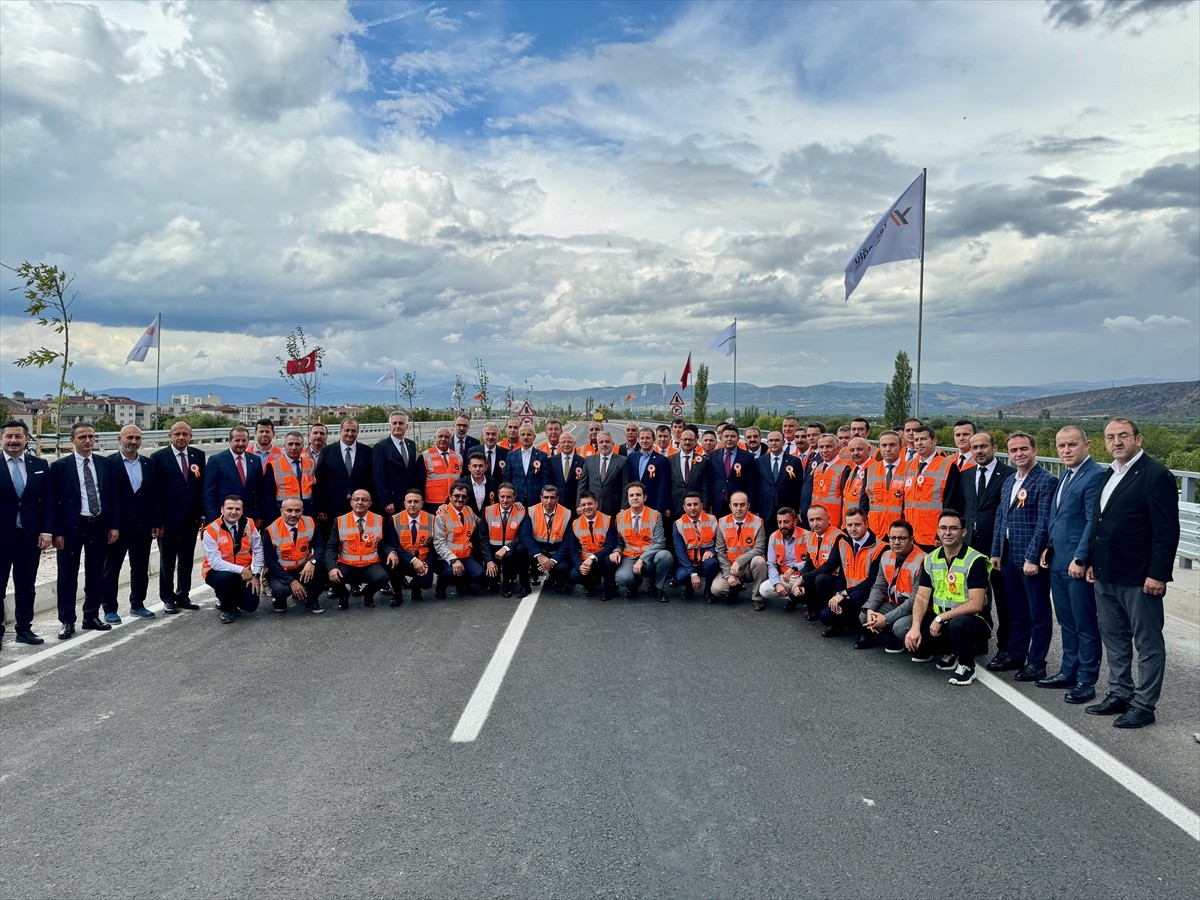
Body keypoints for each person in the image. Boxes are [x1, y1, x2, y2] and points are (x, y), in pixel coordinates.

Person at [1085, 418, 1181, 729]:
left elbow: (1166, 532)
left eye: (1123, 436)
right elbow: (1099, 523)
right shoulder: (1108, 473)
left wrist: (1158, 575)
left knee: (1148, 643)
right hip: (1106, 574)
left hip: (1140, 578)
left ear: (1138, 439)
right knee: (1114, 639)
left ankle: (1144, 705)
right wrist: (1090, 562)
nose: (1116, 442)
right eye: (1110, 437)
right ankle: (1119, 693)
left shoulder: (1155, 475)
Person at [1038, 426, 1105, 704]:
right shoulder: (1065, 474)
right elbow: (1061, 519)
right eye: (1061, 446)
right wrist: (1049, 547)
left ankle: (1086, 680)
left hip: (1076, 564)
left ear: (1087, 445)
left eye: (1072, 445)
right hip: (1058, 561)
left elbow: (1093, 521)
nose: (1066, 450)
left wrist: (1082, 557)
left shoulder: (1095, 476)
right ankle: (1068, 671)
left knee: (1084, 623)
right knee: (1066, 621)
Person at [988, 431, 1057, 682]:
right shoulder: (1009, 481)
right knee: (1015, 610)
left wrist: (1032, 557)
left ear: (1034, 450)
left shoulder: (1046, 481)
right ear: (1008, 453)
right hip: (1008, 556)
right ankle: (1016, 653)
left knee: (1037, 612)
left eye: (1023, 449)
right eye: (1014, 450)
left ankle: (1037, 661)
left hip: (1031, 560)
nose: (1019, 454)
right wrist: (996, 551)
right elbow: (1000, 518)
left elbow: (1044, 523)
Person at [904, 509, 993, 686]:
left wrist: (940, 618)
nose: (947, 532)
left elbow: (976, 604)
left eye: (953, 528)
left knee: (958, 625)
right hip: (944, 620)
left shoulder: (975, 560)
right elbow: (921, 597)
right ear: (937, 531)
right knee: (911, 633)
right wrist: (915, 628)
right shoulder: (930, 559)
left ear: (963, 532)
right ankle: (953, 650)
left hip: (973, 621)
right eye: (943, 528)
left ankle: (967, 666)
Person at [49, 423, 120, 639]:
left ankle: (91, 616)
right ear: (73, 440)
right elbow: (53, 502)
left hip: (97, 524)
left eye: (91, 436)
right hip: (71, 527)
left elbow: (113, 497)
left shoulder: (105, 464)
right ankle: (67, 621)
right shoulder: (60, 467)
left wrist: (114, 525)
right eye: (82, 437)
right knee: (68, 575)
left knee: (96, 573)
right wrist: (56, 532)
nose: (87, 441)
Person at [1, 419, 52, 646]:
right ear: (2, 439)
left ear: (26, 439)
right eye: (9, 436)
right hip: (1, 536)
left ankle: (24, 629)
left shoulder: (39, 464)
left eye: (18, 436)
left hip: (29, 537)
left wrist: (47, 531)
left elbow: (49, 502)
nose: (13, 440)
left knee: (26, 585)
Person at [961, 432, 1014, 650]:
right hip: (970, 544)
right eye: (975, 447)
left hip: (997, 545)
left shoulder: (1009, 475)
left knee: (1002, 596)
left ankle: (1006, 643)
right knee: (973, 593)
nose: (979, 451)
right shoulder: (965, 474)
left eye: (983, 446)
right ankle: (979, 636)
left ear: (994, 447)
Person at [103, 425, 161, 622]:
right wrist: (111, 525)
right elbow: (107, 498)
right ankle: (109, 608)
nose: (133, 442)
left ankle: (138, 604)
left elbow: (154, 496)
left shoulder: (148, 464)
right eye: (129, 437)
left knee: (140, 567)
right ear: (120, 438)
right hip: (117, 527)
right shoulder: (108, 463)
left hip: (142, 526)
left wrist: (156, 522)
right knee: (112, 568)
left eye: (137, 438)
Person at [151, 421, 206, 613]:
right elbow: (155, 492)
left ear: (190, 436)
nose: (181, 437)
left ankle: (183, 595)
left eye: (185, 434)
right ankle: (167, 597)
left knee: (187, 558)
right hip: (168, 519)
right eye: (177, 434)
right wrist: (156, 521)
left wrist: (201, 513)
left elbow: (200, 487)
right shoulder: (158, 457)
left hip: (191, 517)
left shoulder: (198, 455)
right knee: (167, 560)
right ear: (170, 436)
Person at [857, 520, 926, 651]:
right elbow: (879, 586)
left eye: (902, 538)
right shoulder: (886, 555)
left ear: (912, 539)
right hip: (893, 603)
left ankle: (898, 638)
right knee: (865, 615)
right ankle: (888, 636)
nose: (896, 542)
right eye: (893, 538)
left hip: (914, 609)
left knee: (900, 628)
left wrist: (886, 619)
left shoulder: (923, 560)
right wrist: (871, 608)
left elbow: (914, 601)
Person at [815, 508, 883, 637]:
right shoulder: (843, 543)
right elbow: (842, 575)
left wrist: (844, 593)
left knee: (858, 595)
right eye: (849, 525)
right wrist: (837, 595)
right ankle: (839, 623)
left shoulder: (879, 547)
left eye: (857, 524)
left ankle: (866, 632)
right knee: (825, 616)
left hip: (866, 593)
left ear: (866, 524)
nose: (853, 529)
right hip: (847, 594)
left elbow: (872, 581)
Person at [201, 495, 263, 624]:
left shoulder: (249, 524)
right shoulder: (211, 530)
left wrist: (256, 574)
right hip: (216, 572)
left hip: (243, 574)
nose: (233, 512)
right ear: (222, 510)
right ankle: (227, 608)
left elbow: (258, 549)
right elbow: (216, 563)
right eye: (229, 508)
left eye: (237, 509)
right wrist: (241, 570)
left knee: (251, 606)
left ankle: (228, 598)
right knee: (225, 578)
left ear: (242, 510)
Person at [324, 488, 390, 609]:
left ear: (370, 503)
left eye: (364, 500)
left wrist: (391, 552)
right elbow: (331, 547)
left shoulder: (380, 520)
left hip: (370, 564)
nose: (360, 502)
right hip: (347, 564)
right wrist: (332, 568)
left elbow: (384, 543)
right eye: (356, 499)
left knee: (382, 577)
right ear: (351, 502)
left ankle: (368, 594)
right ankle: (343, 596)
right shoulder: (339, 521)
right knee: (330, 574)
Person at [899, 424, 961, 550]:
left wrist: (942, 534)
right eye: (916, 440)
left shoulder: (948, 466)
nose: (919, 443)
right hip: (911, 535)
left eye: (923, 439)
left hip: (933, 536)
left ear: (934, 441)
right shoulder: (910, 466)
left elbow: (951, 503)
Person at [609, 481, 673, 600]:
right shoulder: (620, 517)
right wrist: (616, 551)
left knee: (666, 556)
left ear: (645, 497)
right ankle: (634, 584)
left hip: (650, 557)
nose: (635, 498)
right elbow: (619, 542)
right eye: (631, 495)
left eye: (638, 495)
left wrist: (642, 559)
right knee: (622, 578)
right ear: (627, 499)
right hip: (630, 556)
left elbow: (660, 542)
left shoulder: (655, 515)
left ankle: (658, 587)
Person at [261, 497, 326, 613]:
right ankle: (279, 600)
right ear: (281, 511)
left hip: (303, 568)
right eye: (289, 510)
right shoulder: (271, 531)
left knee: (322, 566)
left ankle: (311, 601)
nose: (293, 514)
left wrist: (312, 562)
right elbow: (270, 562)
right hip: (281, 571)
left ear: (302, 510)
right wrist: (292, 581)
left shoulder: (310, 522)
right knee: (281, 591)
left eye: (297, 511)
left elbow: (320, 546)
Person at [791, 504, 847, 618]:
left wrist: (803, 578)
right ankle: (815, 606)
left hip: (837, 581)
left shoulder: (838, 536)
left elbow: (830, 566)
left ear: (828, 519)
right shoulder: (811, 536)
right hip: (818, 577)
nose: (815, 524)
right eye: (811, 520)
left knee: (820, 579)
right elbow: (808, 564)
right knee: (793, 593)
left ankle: (827, 609)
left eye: (819, 519)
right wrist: (800, 581)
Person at [710, 491, 767, 604]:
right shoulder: (722, 522)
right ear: (730, 506)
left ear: (748, 505)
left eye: (742, 504)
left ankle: (757, 597)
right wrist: (728, 575)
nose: (739, 508)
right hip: (731, 567)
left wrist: (739, 562)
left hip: (749, 567)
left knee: (760, 561)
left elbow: (759, 548)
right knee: (716, 589)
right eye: (735, 505)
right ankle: (733, 589)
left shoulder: (758, 522)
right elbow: (720, 551)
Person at [203, 425, 266, 525]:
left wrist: (259, 515)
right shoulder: (216, 460)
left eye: (244, 440)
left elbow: (260, 491)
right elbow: (209, 492)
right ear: (230, 440)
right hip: (223, 517)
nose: (241, 444)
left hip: (248, 517)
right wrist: (212, 518)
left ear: (248, 440)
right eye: (237, 440)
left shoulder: (255, 460)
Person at [315, 418, 373, 526]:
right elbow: (320, 481)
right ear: (340, 431)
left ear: (358, 432)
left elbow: (371, 479)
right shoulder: (327, 451)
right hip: (333, 506)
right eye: (347, 430)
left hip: (360, 506)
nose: (350, 434)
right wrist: (321, 508)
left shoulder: (367, 452)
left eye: (353, 431)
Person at [432, 483, 485, 598]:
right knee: (450, 572)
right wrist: (453, 560)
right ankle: (440, 587)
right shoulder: (442, 515)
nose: (460, 499)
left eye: (463, 496)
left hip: (465, 556)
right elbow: (439, 543)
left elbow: (481, 523)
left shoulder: (469, 511)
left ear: (467, 498)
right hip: (446, 558)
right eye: (456, 496)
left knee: (478, 574)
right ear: (450, 497)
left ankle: (461, 583)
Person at [479, 482, 528, 597]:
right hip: (492, 552)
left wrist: (506, 548)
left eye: (509, 497)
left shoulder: (522, 512)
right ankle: (494, 579)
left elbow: (521, 536)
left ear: (514, 497)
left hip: (510, 550)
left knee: (516, 552)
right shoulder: (487, 511)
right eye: (502, 496)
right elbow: (483, 539)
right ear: (498, 496)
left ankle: (506, 583)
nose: (505, 500)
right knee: (490, 585)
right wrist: (489, 561)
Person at [519, 485, 572, 592]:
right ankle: (525, 585)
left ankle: (556, 578)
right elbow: (525, 536)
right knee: (520, 550)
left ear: (557, 499)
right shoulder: (531, 511)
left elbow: (567, 543)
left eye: (552, 498)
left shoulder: (567, 513)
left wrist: (552, 561)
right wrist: (539, 556)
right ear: (541, 498)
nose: (549, 501)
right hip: (537, 553)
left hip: (555, 553)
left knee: (564, 568)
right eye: (546, 497)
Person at [388, 488, 435, 603]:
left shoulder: (432, 519)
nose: (412, 505)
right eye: (409, 502)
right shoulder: (394, 520)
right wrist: (413, 560)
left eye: (416, 501)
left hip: (423, 561)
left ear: (422, 503)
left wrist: (427, 564)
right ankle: (397, 595)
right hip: (402, 560)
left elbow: (434, 547)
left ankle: (416, 587)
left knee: (426, 582)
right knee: (391, 563)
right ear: (404, 503)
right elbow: (394, 545)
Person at [569, 490, 617, 599]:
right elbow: (573, 549)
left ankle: (607, 588)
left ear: (596, 504)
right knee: (574, 575)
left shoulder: (608, 520)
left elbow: (610, 545)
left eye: (590, 504)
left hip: (602, 559)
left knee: (610, 561)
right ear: (580, 507)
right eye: (583, 505)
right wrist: (579, 565)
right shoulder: (575, 524)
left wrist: (592, 558)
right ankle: (590, 585)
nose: (587, 507)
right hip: (585, 560)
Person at [758, 506, 806, 612]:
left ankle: (809, 602)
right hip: (785, 578)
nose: (782, 526)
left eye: (786, 522)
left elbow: (812, 562)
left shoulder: (807, 536)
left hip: (804, 577)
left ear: (795, 521)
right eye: (779, 522)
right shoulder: (773, 537)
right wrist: (777, 583)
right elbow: (771, 564)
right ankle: (795, 598)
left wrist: (795, 568)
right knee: (764, 589)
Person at [672, 491, 719, 599]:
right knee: (680, 578)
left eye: (696, 504)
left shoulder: (712, 519)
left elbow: (720, 543)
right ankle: (689, 587)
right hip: (688, 562)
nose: (692, 508)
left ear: (701, 505)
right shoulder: (678, 524)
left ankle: (708, 590)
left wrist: (712, 551)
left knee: (712, 564)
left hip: (706, 560)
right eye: (689, 505)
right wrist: (693, 574)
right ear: (684, 507)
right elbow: (680, 551)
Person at [372, 411, 418, 517]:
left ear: (407, 426)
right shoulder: (380, 447)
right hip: (391, 501)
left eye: (401, 423)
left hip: (408, 500)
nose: (397, 426)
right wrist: (386, 501)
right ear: (390, 426)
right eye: (394, 423)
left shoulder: (411, 445)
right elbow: (378, 477)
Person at [755, 431, 802, 535]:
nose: (773, 443)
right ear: (767, 442)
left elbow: (798, 487)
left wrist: (797, 509)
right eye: (771, 440)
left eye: (777, 440)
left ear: (783, 442)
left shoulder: (794, 461)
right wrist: (755, 508)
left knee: (787, 537)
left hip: (787, 509)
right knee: (767, 538)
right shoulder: (759, 461)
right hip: (766, 508)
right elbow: (756, 485)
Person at [705, 424, 758, 516]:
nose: (729, 439)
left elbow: (752, 484)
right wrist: (707, 503)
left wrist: (752, 506)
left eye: (733, 436)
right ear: (721, 438)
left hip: (739, 505)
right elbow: (709, 480)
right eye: (726, 436)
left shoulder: (748, 457)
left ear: (738, 438)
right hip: (718, 502)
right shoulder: (713, 455)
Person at [263, 430, 316, 519]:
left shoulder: (311, 464)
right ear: (284, 446)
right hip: (283, 515)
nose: (294, 447)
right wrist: (272, 517)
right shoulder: (273, 466)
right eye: (290, 444)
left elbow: (314, 490)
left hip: (307, 513)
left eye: (297, 444)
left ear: (303, 446)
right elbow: (268, 496)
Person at [864, 430, 904, 541]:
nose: (887, 449)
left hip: (900, 531)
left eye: (892, 445)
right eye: (884, 445)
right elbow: (865, 501)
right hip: (876, 529)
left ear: (901, 447)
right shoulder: (871, 469)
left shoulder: (910, 469)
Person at [805, 434, 850, 529]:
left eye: (829, 446)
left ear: (837, 448)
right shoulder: (818, 468)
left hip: (834, 522)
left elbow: (845, 500)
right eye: (821, 447)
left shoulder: (844, 469)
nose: (824, 450)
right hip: (816, 521)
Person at [579, 430, 628, 516]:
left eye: (607, 442)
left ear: (613, 444)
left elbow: (626, 486)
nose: (604, 444)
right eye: (601, 442)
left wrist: (624, 507)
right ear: (598, 445)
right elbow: (582, 484)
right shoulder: (589, 460)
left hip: (614, 507)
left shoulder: (623, 461)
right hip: (592, 507)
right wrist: (579, 504)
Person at [417, 427, 463, 514]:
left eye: (446, 437)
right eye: (440, 436)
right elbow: (419, 483)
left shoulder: (458, 457)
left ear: (451, 439)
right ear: (435, 438)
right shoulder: (424, 456)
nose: (443, 439)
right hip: (432, 503)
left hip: (453, 502)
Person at [627, 427, 670, 516]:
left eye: (648, 438)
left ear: (654, 440)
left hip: (652, 506)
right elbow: (628, 481)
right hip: (634, 505)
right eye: (642, 438)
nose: (644, 441)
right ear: (638, 440)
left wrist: (659, 509)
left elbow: (663, 486)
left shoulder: (661, 460)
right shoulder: (632, 457)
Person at [507, 422, 549, 510]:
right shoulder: (511, 455)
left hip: (536, 500)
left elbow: (545, 481)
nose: (525, 437)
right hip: (516, 501)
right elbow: (507, 480)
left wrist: (543, 499)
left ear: (534, 437)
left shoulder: (542, 456)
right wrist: (511, 499)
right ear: (519, 436)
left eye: (529, 434)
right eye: (523, 434)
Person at [669, 427, 708, 516]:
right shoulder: (670, 460)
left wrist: (705, 506)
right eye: (685, 439)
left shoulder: (702, 461)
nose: (687, 442)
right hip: (675, 505)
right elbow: (667, 485)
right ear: (680, 440)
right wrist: (666, 506)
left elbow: (705, 485)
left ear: (695, 441)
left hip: (695, 506)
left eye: (690, 440)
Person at [546, 433, 585, 512]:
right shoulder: (551, 461)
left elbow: (583, 484)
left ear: (574, 443)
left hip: (574, 504)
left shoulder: (582, 461)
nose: (566, 444)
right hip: (556, 503)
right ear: (559, 444)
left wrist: (580, 504)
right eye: (563, 442)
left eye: (569, 442)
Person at [839, 437, 873, 527]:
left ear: (869, 449)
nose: (855, 453)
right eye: (852, 450)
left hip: (861, 524)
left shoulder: (874, 469)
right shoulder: (854, 469)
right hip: (850, 523)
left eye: (859, 449)